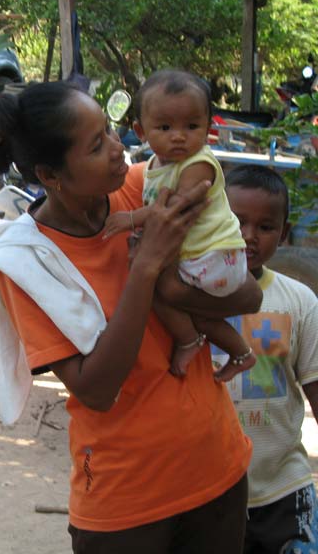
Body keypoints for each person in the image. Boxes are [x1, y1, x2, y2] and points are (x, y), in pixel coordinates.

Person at [0, 81, 261, 552]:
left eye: (109, 132)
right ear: (50, 174)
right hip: (128, 503)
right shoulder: (27, 262)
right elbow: (96, 389)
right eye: (95, 145)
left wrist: (169, 284)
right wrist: (147, 268)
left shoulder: (145, 187)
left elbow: (246, 296)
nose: (117, 150)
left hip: (218, 470)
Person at [104, 69, 255, 379]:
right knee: (192, 308)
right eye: (165, 126)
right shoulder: (157, 166)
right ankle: (240, 352)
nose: (179, 135)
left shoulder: (197, 164)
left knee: (152, 286)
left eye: (192, 126)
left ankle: (189, 339)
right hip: (205, 256)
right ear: (141, 131)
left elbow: (173, 209)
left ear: (208, 128)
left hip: (214, 256)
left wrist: (131, 219)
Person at [222, 164, 318, 554]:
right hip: (209, 490)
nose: (248, 236)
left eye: (264, 227)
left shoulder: (300, 301)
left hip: (284, 487)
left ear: (283, 231)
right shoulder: (186, 297)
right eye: (236, 221)